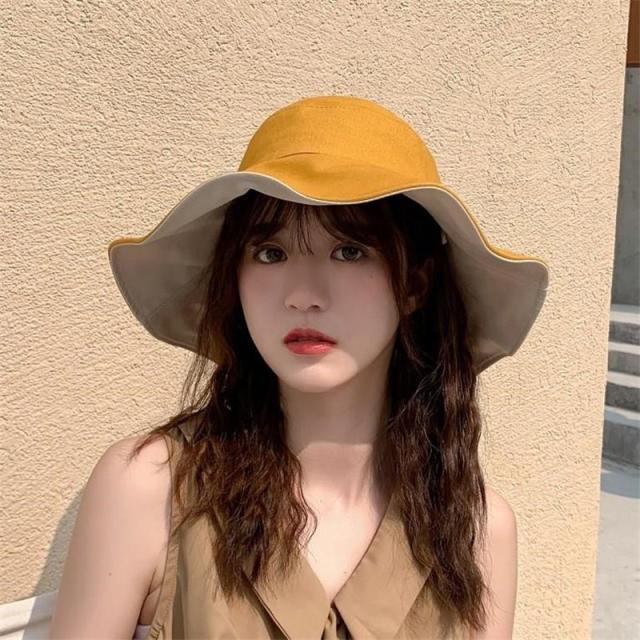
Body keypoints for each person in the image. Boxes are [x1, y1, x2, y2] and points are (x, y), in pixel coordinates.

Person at [50, 95, 549, 639]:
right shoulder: (150, 490)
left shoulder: (476, 533)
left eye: (350, 250)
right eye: (271, 252)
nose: (303, 295)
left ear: (414, 283)